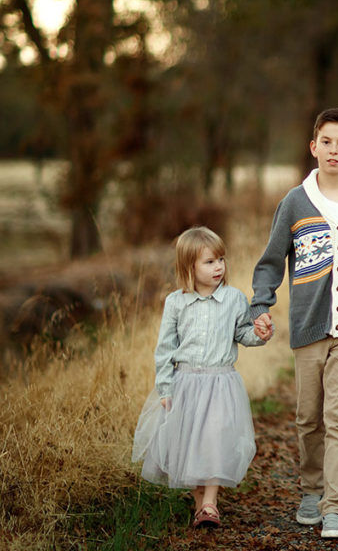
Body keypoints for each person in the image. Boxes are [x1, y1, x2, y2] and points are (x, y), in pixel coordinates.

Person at [249, 108, 338, 539]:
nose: (334, 150)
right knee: (309, 417)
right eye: (326, 142)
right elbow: (271, 262)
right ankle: (311, 490)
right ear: (314, 147)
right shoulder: (294, 202)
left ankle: (335, 507)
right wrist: (261, 304)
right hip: (309, 326)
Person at [131, 226, 271, 529]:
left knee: (214, 440)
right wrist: (165, 387)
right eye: (209, 262)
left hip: (220, 383)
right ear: (189, 267)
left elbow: (243, 334)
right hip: (185, 384)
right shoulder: (176, 303)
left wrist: (259, 334)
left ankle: (211, 502)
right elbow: (165, 348)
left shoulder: (234, 299)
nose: (218, 266)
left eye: (221, 259)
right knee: (190, 444)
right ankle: (201, 506)